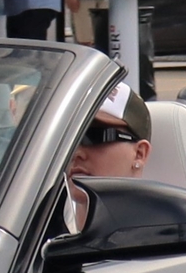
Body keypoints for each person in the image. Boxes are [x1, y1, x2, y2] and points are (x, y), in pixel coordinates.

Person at [63, 80, 151, 230]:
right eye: (67, 138)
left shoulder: (161, 239)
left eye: (95, 137)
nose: (76, 153)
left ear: (139, 154)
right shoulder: (33, 227)